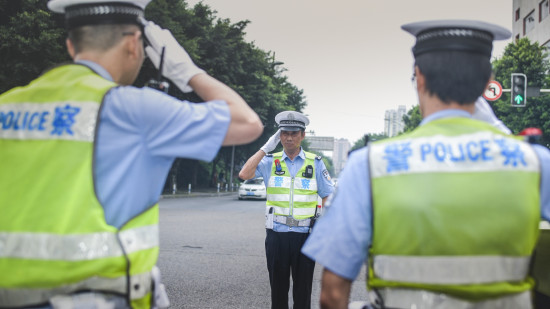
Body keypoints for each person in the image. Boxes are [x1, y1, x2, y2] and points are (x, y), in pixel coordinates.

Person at [0, 0, 262, 308]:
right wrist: (188, 72)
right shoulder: (134, 109)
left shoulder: (9, 105)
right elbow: (246, 122)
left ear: (71, 45)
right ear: (133, 43)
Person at [302, 20, 550, 309]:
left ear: (419, 77)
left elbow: (332, 293)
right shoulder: (536, 162)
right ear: (486, 83)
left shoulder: (369, 165)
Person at [239, 111, 334, 309]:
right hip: (276, 236)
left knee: (303, 293)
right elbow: (244, 173)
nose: (289, 137)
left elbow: (328, 197)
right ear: (279, 136)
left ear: (303, 135)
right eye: (284, 133)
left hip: (305, 237)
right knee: (278, 292)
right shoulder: (269, 162)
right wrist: (265, 148)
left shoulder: (314, 163)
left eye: (294, 133)